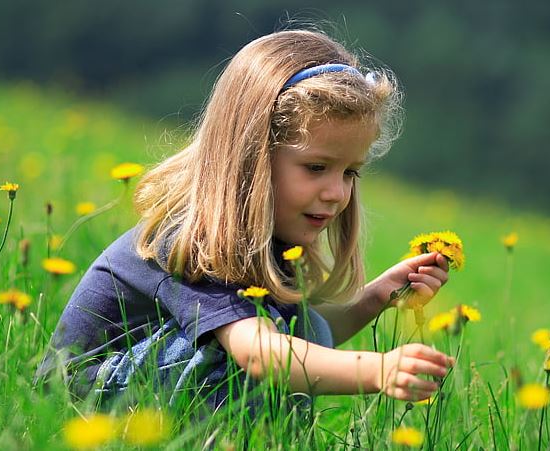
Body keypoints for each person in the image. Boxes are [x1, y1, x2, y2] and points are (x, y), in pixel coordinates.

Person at [36, 29, 453, 412]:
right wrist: (377, 371)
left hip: (147, 386)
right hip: (81, 399)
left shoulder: (267, 240)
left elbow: (306, 340)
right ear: (251, 157)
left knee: (295, 328)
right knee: (243, 364)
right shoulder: (194, 241)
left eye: (349, 173)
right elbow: (258, 354)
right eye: (315, 167)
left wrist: (377, 296)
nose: (336, 193)